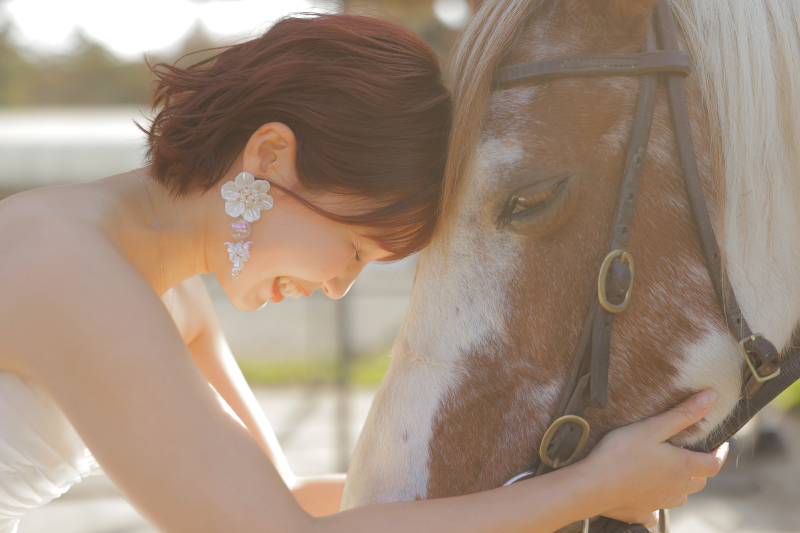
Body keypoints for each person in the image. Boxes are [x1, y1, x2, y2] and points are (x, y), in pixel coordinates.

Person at [0, 12, 726, 533]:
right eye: (354, 249)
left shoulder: (162, 293)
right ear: (271, 156)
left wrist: (583, 484)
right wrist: (581, 490)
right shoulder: (70, 270)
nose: (339, 286)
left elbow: (296, 497)